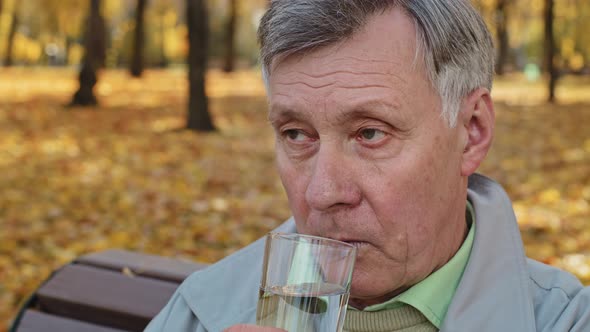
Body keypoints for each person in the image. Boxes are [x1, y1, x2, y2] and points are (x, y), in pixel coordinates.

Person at [145, 1, 590, 331]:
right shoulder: (202, 312)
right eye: (297, 134)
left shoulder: (563, 320)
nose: (322, 193)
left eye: (370, 133)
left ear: (471, 132)